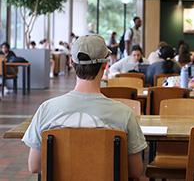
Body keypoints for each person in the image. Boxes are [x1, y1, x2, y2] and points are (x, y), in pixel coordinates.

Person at [22, 35, 146, 177]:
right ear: (105, 65)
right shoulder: (124, 114)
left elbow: (34, 166)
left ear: (72, 63)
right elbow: (135, 171)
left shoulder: (46, 109)